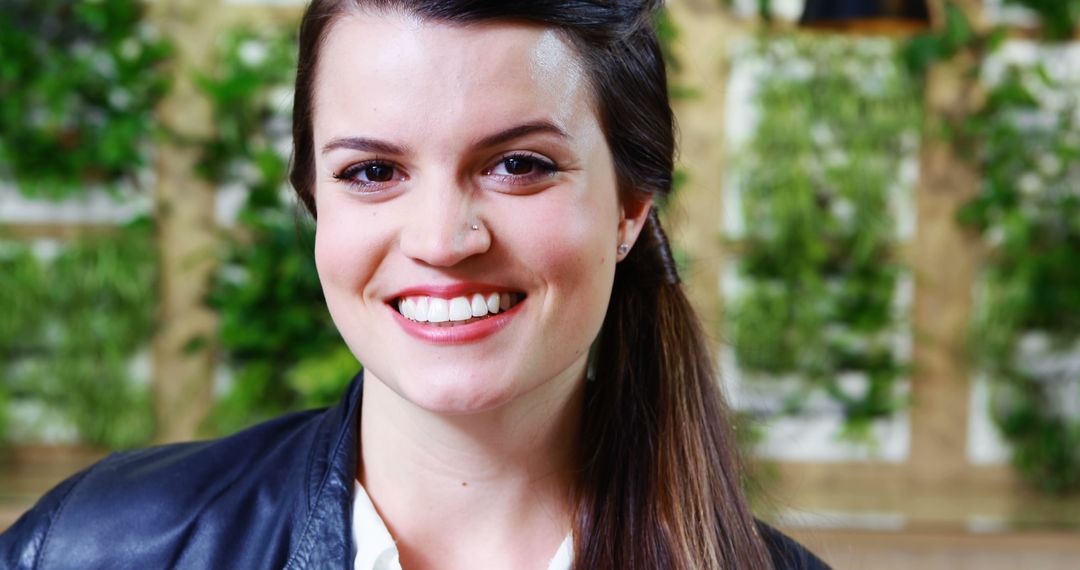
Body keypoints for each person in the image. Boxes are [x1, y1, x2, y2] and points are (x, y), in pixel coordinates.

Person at [1, 1, 829, 568]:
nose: (442, 240)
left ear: (629, 208)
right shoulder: (99, 548)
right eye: (371, 171)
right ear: (315, 202)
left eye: (518, 165)